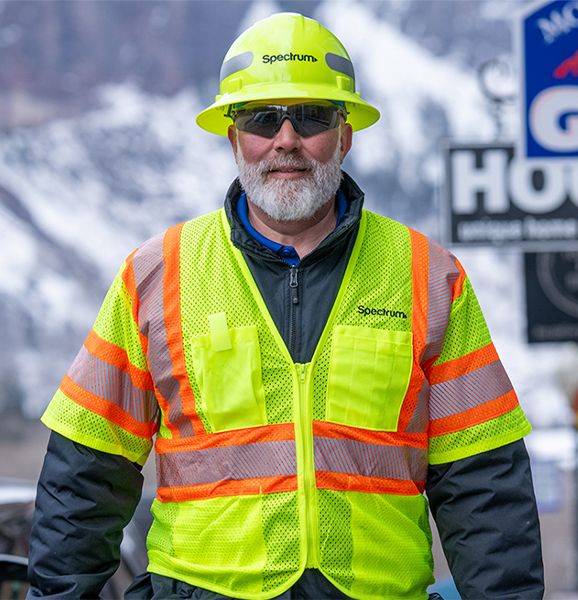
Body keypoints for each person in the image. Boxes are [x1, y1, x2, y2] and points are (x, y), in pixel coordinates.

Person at [27, 12, 544, 600]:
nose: (286, 139)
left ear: (345, 135)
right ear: (234, 138)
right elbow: (86, 472)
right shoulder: (154, 274)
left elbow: (483, 482)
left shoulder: (428, 275)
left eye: (312, 117)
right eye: (262, 119)